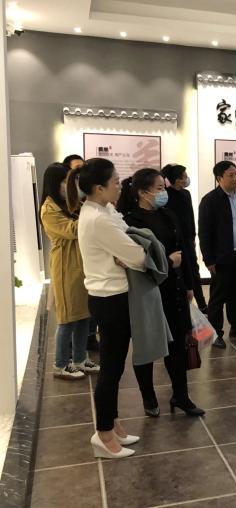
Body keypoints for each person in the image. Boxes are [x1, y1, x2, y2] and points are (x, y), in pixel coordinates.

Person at [117, 168, 205, 417]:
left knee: (178, 346)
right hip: (148, 292)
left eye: (163, 188)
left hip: (174, 288)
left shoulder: (168, 214)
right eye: (159, 189)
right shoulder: (130, 222)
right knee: (147, 346)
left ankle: (181, 396)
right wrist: (168, 260)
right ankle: (148, 396)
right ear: (143, 193)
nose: (163, 193)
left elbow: (184, 251)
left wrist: (189, 285)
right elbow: (137, 261)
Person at [76, 157, 146, 459]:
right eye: (115, 182)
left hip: (114, 296)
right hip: (110, 299)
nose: (120, 186)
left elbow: (128, 235)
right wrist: (132, 254)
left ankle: (112, 423)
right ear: (99, 188)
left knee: (115, 367)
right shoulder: (98, 218)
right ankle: (104, 433)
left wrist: (128, 253)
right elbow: (137, 254)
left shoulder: (104, 210)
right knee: (111, 368)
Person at [40, 163, 99, 380]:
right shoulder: (49, 209)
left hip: (82, 265)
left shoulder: (71, 204)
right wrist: (92, 211)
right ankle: (60, 364)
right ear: (55, 184)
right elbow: (72, 230)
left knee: (83, 316)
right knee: (66, 319)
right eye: (66, 182)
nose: (71, 185)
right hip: (65, 267)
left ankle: (80, 359)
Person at [198, 161, 236, 349]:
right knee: (218, 297)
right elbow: (204, 232)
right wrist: (208, 259)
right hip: (222, 257)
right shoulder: (210, 200)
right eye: (231, 175)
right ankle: (215, 333)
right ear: (219, 178)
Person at [160, 163, 208, 312]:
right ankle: (182, 304)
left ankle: (202, 303)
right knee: (178, 272)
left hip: (187, 240)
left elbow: (191, 217)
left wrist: (193, 236)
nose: (186, 179)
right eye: (184, 177)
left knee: (193, 271)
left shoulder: (186, 194)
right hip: (173, 241)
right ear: (175, 179)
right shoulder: (165, 195)